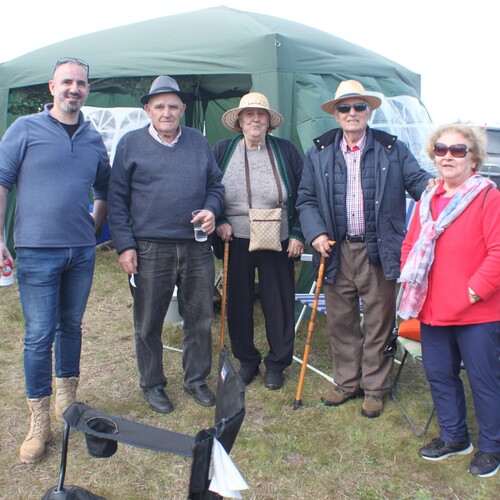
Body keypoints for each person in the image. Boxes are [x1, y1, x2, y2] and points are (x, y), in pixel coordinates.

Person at [296, 80, 432, 418]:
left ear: (369, 111)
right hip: (335, 250)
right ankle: (347, 383)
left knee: (378, 321)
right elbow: (306, 199)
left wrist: (439, 186)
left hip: (379, 248)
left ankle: (374, 387)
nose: (352, 113)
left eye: (359, 107)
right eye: (345, 108)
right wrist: (315, 233)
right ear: (337, 115)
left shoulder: (392, 148)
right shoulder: (320, 151)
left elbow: (418, 183)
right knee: (340, 321)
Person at [0, 57, 111, 463]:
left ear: (87, 89)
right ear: (52, 86)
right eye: (67, 82)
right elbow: (2, 181)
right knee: (38, 335)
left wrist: (93, 231)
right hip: (35, 251)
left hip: (80, 253)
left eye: (81, 83)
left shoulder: (92, 137)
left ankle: (69, 406)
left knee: (71, 327)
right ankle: (39, 421)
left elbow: (104, 188)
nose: (74, 89)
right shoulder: (25, 129)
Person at [108, 75, 224, 414]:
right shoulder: (130, 144)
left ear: (183, 109)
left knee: (200, 317)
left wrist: (212, 210)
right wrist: (125, 245)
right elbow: (116, 200)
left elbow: (215, 186)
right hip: (149, 248)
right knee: (149, 321)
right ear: (147, 109)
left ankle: (195, 379)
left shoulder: (197, 141)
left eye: (173, 106)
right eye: (159, 106)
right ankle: (153, 383)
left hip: (196, 245)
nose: (167, 112)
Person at [399, 123, 500, 478]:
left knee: (484, 380)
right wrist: (410, 275)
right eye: (441, 150)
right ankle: (455, 437)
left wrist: (471, 292)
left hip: (478, 312)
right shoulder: (427, 199)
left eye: (458, 150)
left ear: (473, 160)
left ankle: (491, 447)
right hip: (432, 308)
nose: (448, 156)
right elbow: (411, 245)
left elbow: (498, 252)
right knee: (440, 376)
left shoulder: (489, 197)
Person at [213, 92, 304, 390]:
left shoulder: (285, 150)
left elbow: (304, 194)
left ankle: (277, 363)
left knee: (277, 302)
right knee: (237, 300)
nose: (255, 119)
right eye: (248, 114)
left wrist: (297, 233)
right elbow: (211, 190)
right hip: (235, 238)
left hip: (276, 238)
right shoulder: (223, 150)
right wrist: (222, 221)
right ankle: (247, 360)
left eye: (261, 114)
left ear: (269, 121)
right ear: (239, 121)